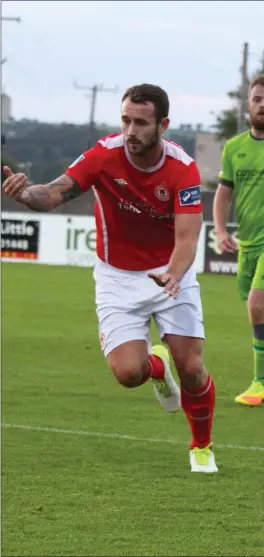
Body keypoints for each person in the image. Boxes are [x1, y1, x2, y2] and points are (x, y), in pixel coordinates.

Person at [3, 83, 218, 472]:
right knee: (127, 374)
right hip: (117, 277)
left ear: (163, 125)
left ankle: (201, 447)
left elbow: (188, 238)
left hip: (170, 273)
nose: (130, 131)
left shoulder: (182, 168)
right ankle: (156, 367)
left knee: (191, 366)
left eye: (140, 123)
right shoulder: (104, 156)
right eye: (125, 120)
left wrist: (174, 273)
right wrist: (26, 194)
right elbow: (54, 192)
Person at [213, 74, 264, 407]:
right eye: (257, 98)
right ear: (248, 104)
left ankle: (260, 382)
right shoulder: (234, 148)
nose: (263, 104)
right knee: (257, 308)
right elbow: (223, 193)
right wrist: (220, 231)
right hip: (248, 244)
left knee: (257, 305)